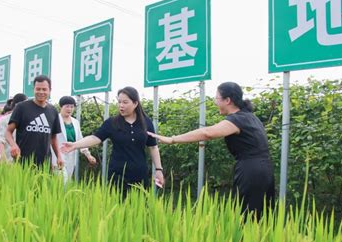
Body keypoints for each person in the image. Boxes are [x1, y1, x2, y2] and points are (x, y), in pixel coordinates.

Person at [149, 82, 274, 216]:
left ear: (228, 100)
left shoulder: (238, 119)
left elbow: (207, 133)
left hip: (251, 170)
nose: (215, 102)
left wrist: (172, 139)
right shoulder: (251, 117)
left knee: (247, 216)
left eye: (217, 98)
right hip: (265, 169)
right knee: (262, 215)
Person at [61, 86, 165, 197]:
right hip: (117, 174)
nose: (121, 105)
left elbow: (153, 147)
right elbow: (95, 138)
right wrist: (75, 145)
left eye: (125, 102)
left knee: (138, 208)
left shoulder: (146, 123)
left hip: (139, 174)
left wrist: (158, 169)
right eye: (119, 102)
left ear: (135, 103)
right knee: (117, 208)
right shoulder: (112, 123)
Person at [6, 75, 64, 170]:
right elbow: (8, 132)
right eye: (38, 89)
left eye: (44, 89)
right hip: (22, 162)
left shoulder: (53, 111)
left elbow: (53, 138)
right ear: (34, 89)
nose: (41, 92)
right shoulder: (21, 107)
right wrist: (13, 145)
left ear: (49, 90)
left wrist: (59, 156)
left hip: (45, 163)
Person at [52, 96, 96, 181]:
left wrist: (88, 155)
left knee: (67, 181)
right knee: (62, 181)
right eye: (67, 106)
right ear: (61, 107)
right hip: (57, 155)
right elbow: (50, 139)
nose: (70, 109)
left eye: (72, 107)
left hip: (71, 156)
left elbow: (80, 140)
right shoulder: (55, 120)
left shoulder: (75, 122)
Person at [0, 93, 28, 163]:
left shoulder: (28, 120)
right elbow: (0, 140)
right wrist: (3, 160)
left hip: (26, 162)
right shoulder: (5, 120)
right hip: (9, 160)